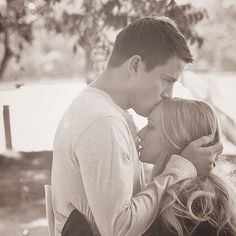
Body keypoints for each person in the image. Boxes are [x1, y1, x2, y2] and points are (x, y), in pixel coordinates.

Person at [51, 17, 222, 236]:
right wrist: (183, 167)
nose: (169, 94)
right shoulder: (104, 123)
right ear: (135, 65)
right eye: (167, 80)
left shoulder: (95, 109)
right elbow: (119, 229)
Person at [138, 98, 236, 236]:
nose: (140, 133)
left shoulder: (195, 204)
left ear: (176, 136)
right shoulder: (175, 191)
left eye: (151, 126)